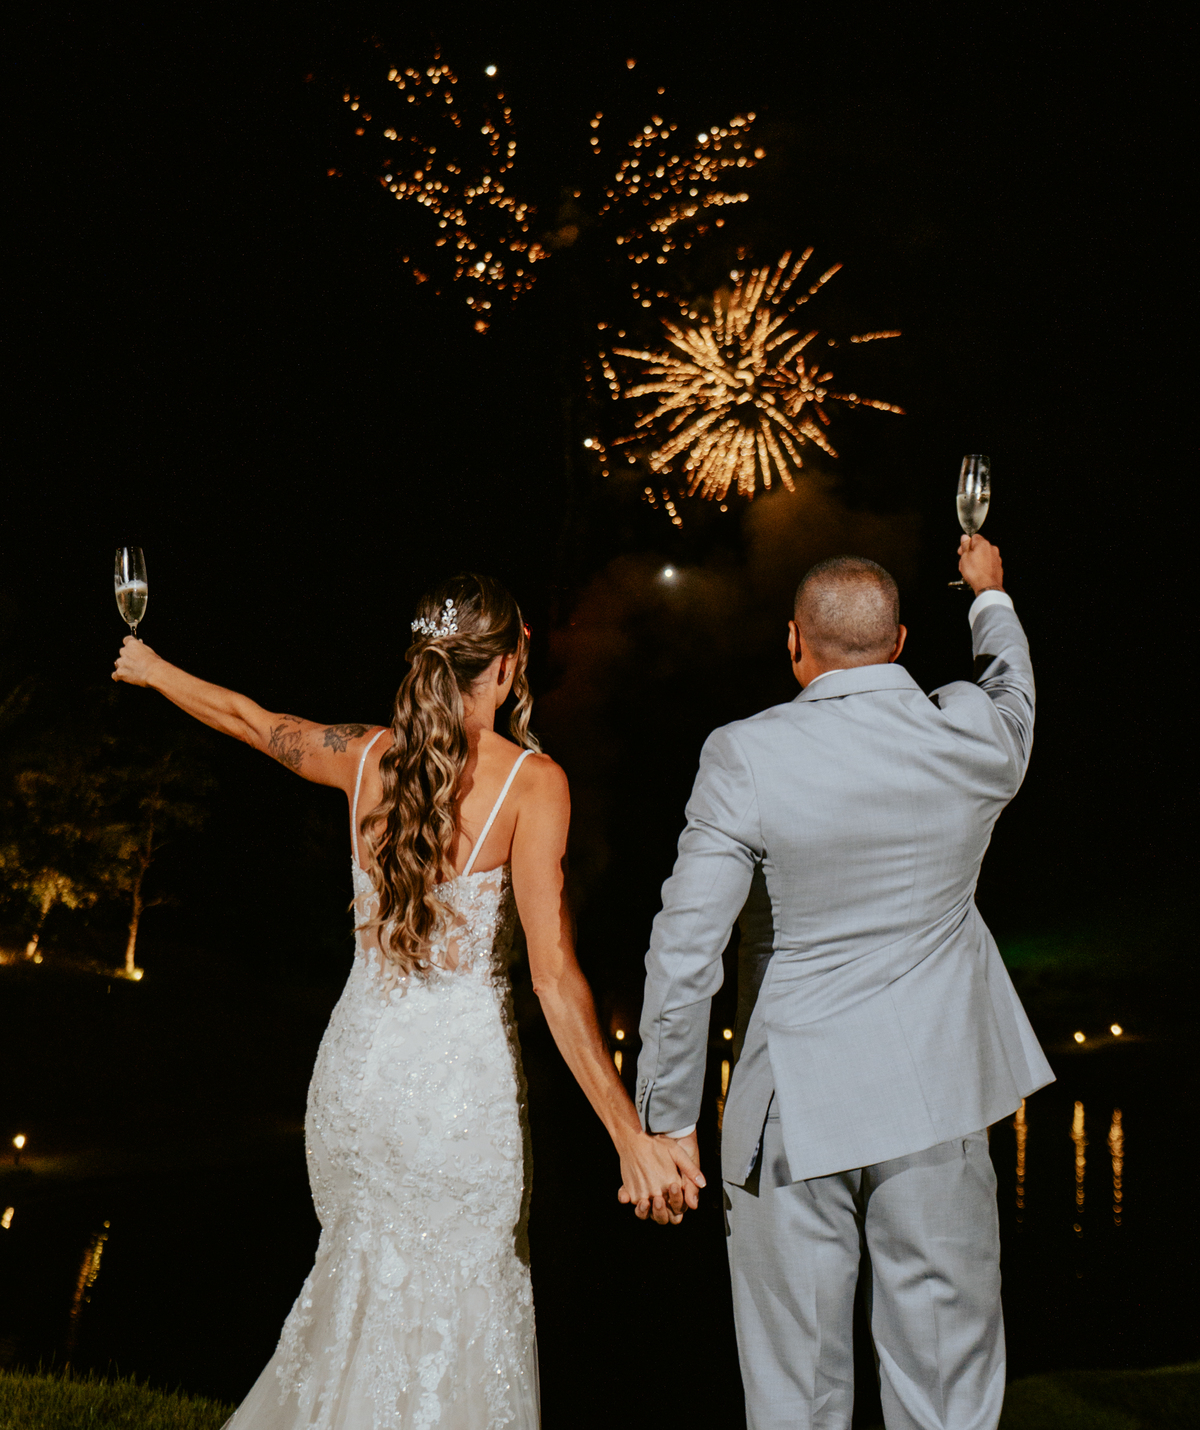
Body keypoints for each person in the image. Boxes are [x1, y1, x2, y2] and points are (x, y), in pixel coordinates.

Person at [113, 572, 702, 1430]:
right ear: (508, 663)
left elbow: (253, 721)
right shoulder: (533, 783)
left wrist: (156, 669)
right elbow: (553, 977)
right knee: (453, 1326)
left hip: (355, 1082)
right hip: (451, 1102)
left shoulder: (365, 757)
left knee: (358, 1300)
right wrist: (629, 1138)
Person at [632, 535, 1054, 1430]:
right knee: (946, 1390)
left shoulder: (745, 754)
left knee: (798, 1398)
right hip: (939, 1101)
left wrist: (667, 1117)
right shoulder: (971, 731)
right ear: (900, 643)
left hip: (794, 1109)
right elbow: (1014, 688)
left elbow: (684, 951)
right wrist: (989, 595)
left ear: (795, 643)